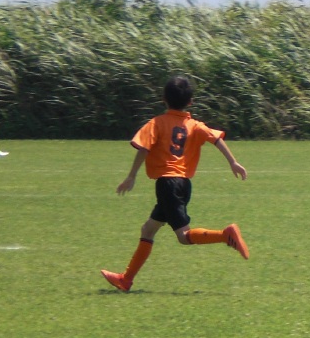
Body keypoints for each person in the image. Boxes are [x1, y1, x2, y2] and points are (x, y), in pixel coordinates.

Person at [101, 76, 249, 292]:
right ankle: (126, 279)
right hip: (183, 184)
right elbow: (216, 138)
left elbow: (143, 148)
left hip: (167, 185)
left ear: (164, 99)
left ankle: (225, 235)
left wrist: (131, 175)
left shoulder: (157, 123)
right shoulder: (194, 125)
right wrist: (233, 162)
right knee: (148, 229)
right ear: (190, 102)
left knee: (184, 237)